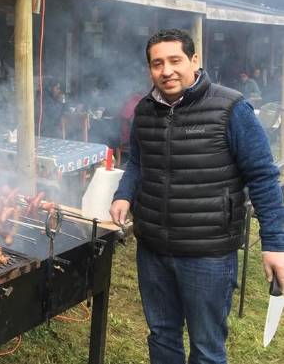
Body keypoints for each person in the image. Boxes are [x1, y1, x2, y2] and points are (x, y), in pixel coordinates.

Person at [110, 29, 284, 364]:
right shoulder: (145, 111)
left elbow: (263, 177)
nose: (167, 70)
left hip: (208, 254)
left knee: (206, 347)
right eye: (157, 63)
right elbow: (137, 162)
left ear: (194, 60)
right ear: (150, 69)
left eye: (175, 60)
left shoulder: (231, 107)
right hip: (153, 249)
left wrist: (275, 244)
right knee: (162, 336)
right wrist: (123, 194)